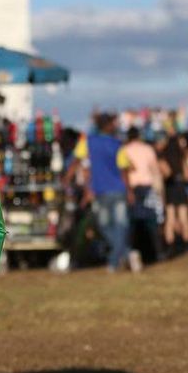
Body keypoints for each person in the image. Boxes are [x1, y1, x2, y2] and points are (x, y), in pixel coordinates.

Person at [70, 113, 135, 272]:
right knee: (119, 225)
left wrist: (67, 177)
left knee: (105, 225)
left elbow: (76, 160)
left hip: (101, 191)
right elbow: (124, 170)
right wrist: (129, 190)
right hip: (117, 190)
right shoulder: (116, 144)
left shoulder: (88, 142)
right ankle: (127, 254)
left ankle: (115, 261)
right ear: (108, 126)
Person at [121, 126, 162, 267]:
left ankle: (134, 253)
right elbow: (155, 171)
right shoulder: (147, 149)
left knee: (133, 224)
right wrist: (159, 191)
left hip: (130, 189)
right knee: (151, 222)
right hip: (146, 188)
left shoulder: (124, 150)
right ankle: (156, 253)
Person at [158, 116, 188, 252]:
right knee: (184, 216)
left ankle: (171, 245)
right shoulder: (181, 152)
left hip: (170, 185)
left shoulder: (163, 152)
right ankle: (186, 244)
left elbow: (164, 171)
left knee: (170, 217)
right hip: (179, 184)